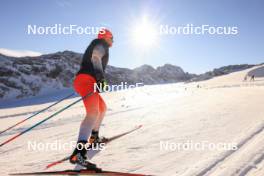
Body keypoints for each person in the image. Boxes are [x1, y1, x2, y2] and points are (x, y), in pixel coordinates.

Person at [69, 29, 113, 170]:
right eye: (112, 37)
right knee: (93, 113)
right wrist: (100, 78)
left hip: (87, 81)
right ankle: (79, 154)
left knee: (102, 108)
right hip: (86, 80)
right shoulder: (101, 44)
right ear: (106, 37)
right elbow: (95, 57)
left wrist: (98, 80)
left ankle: (94, 138)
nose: (113, 40)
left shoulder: (100, 44)